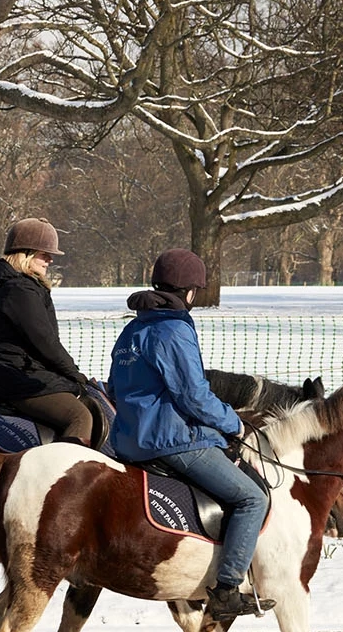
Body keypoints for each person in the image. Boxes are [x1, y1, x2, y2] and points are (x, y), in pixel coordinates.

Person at [107, 248, 275, 622]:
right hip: (170, 441)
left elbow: (114, 389)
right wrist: (232, 424)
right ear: (190, 292)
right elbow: (194, 396)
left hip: (126, 441)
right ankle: (228, 589)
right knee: (252, 497)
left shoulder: (132, 328)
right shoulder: (175, 329)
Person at [0, 218, 93, 444]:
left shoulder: (21, 286)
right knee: (79, 415)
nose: (50, 260)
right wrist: (73, 373)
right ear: (26, 254)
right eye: (45, 254)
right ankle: (66, 478)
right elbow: (43, 339)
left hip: (21, 370)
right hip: (17, 375)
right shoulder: (19, 289)